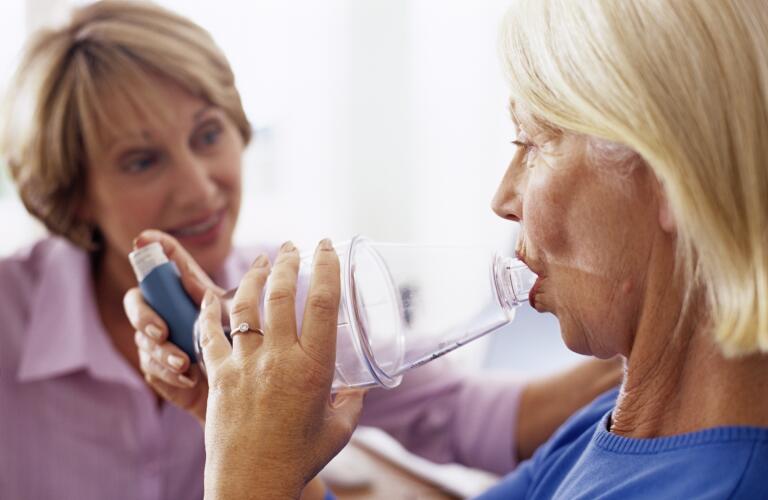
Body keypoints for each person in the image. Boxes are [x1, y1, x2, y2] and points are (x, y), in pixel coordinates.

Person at [0, 1, 620, 499]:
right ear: (74, 192)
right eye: (142, 161)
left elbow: (471, 421)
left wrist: (661, 331)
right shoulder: (9, 317)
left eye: (208, 134)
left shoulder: (290, 300)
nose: (198, 186)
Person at [188, 0, 768, 498]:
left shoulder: (714, 483)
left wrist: (248, 477)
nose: (503, 198)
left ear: (675, 179)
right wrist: (246, 434)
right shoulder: (625, 423)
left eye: (535, 141)